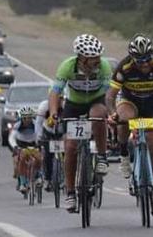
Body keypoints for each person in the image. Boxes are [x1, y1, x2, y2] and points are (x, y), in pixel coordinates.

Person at [106, 34, 153, 215]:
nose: (144, 64)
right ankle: (123, 153)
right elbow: (110, 95)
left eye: (147, 60)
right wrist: (112, 113)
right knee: (123, 119)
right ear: (132, 58)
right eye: (140, 61)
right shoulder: (124, 67)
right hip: (130, 102)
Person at [49, 34, 111, 213]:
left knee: (98, 115)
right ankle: (70, 192)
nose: (97, 61)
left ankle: (101, 156)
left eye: (98, 56)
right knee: (70, 147)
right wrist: (53, 113)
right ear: (82, 58)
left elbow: (109, 94)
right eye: (93, 58)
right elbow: (55, 92)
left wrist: (111, 114)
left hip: (96, 100)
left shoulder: (104, 67)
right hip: (74, 104)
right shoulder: (67, 66)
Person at [9, 106, 42, 195]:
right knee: (21, 159)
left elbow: (40, 134)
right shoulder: (17, 125)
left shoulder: (36, 125)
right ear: (22, 117)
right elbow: (12, 137)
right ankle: (23, 183)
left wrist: (40, 144)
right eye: (25, 117)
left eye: (29, 117)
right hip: (21, 145)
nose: (27, 119)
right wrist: (15, 146)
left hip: (33, 144)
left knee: (39, 158)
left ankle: (38, 175)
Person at [35, 98, 63, 192]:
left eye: (61, 99)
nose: (59, 101)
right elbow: (38, 123)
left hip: (61, 131)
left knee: (68, 153)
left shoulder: (65, 106)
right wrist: (39, 137)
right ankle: (47, 179)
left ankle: (66, 177)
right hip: (48, 132)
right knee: (48, 156)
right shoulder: (44, 106)